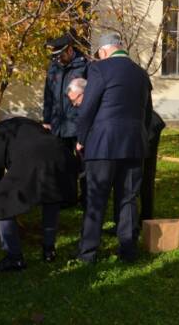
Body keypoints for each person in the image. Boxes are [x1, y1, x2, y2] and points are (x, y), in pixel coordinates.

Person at [75, 32, 152, 263]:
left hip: (103, 144)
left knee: (96, 196)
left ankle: (88, 253)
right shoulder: (141, 74)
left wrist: (81, 137)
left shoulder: (99, 69)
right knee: (128, 198)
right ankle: (128, 252)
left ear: (104, 51)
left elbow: (88, 107)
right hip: (134, 144)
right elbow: (147, 113)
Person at [67, 78, 165, 229]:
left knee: (142, 177)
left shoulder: (98, 98)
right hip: (133, 130)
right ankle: (125, 222)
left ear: (84, 93)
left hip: (146, 128)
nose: (74, 105)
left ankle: (144, 221)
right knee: (123, 181)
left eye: (75, 99)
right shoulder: (97, 97)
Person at [0, 117, 78, 272]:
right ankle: (49, 250)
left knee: (1, 202)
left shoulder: (0, 133)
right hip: (60, 154)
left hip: (33, 158)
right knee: (51, 197)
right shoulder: (24, 122)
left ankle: (14, 257)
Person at [43, 29, 89, 206]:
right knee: (62, 163)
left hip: (77, 124)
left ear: (70, 50)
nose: (58, 59)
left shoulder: (84, 66)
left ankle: (86, 198)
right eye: (56, 56)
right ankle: (66, 197)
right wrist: (46, 120)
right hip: (58, 124)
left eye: (61, 55)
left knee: (83, 164)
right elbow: (48, 95)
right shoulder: (54, 66)